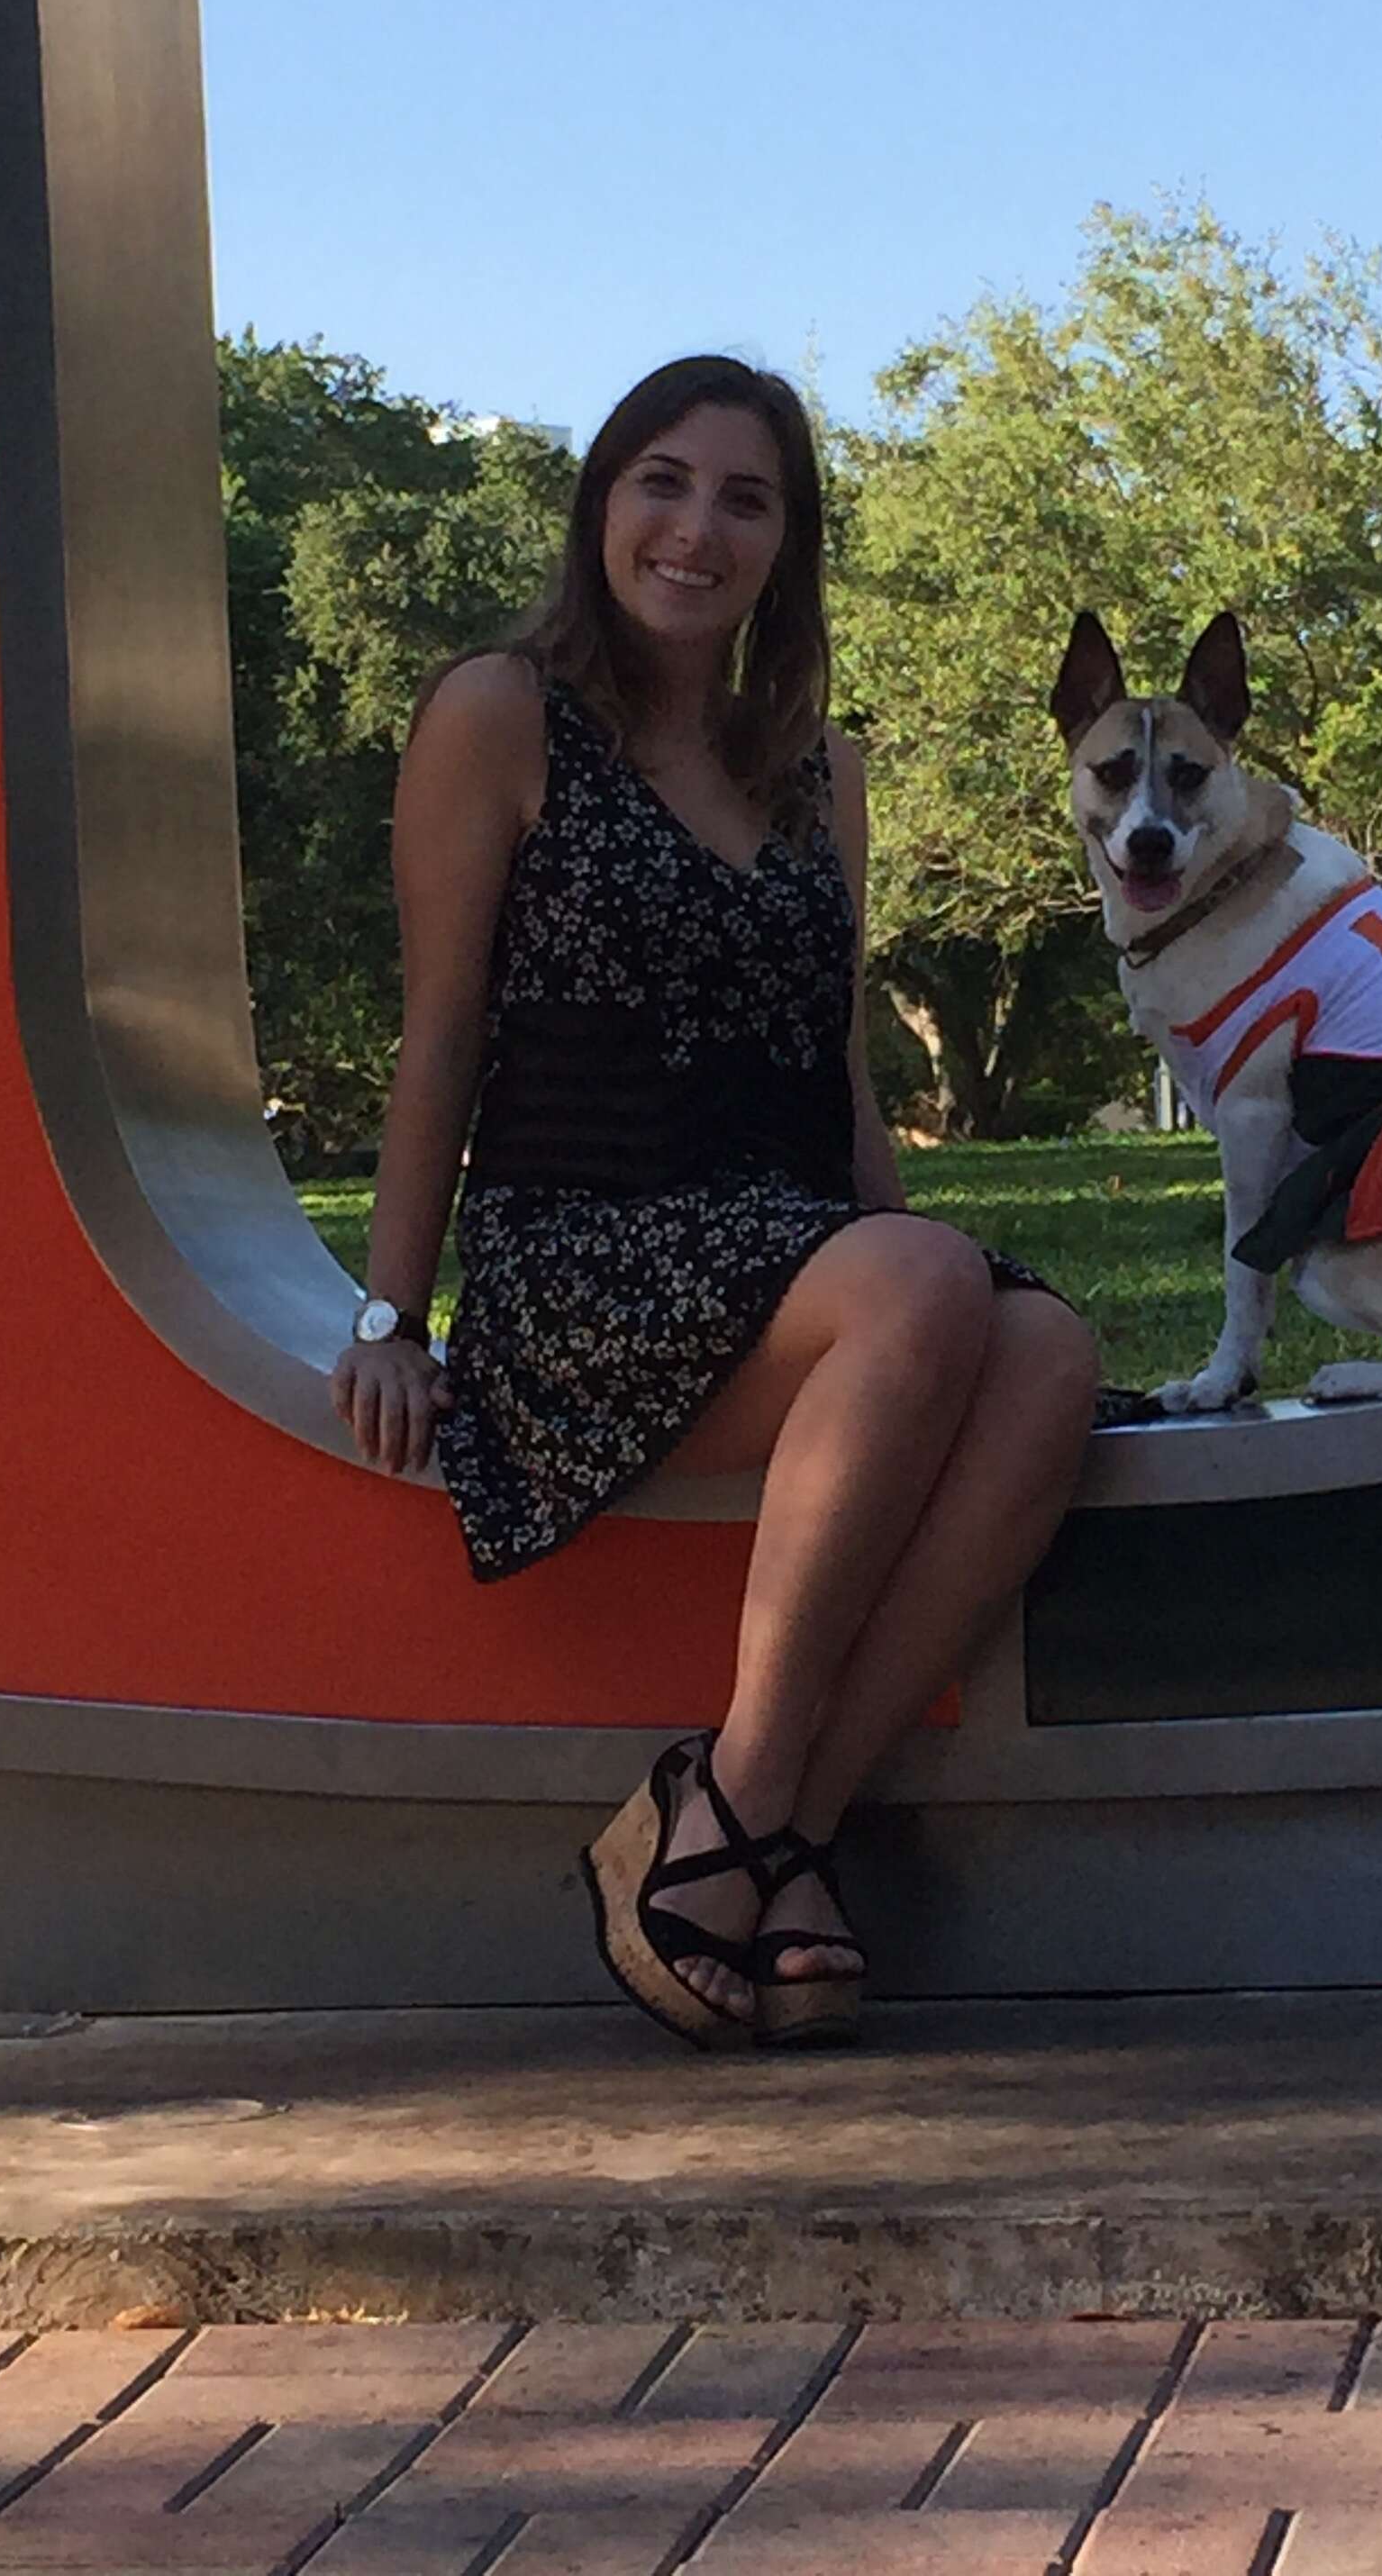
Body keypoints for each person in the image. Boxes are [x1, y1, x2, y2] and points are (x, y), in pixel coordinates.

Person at [331, 356, 1099, 2049]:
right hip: (584, 1266)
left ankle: (759, 1830)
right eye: (663, 482)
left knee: (1043, 1351)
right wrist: (392, 1313)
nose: (696, 528)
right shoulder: (500, 714)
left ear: (787, 544)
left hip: (793, 1255)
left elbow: (833, 1061)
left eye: (746, 500)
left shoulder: (818, 762)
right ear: (604, 502)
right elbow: (442, 1033)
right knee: (915, 1287)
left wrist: (939, 1270)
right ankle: (753, 1804)